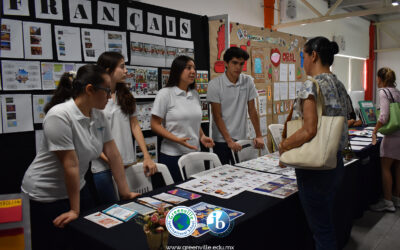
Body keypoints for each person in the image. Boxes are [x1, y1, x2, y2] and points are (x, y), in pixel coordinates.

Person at [21, 65, 139, 250]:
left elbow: (114, 155)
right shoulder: (59, 115)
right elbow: (71, 165)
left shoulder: (99, 115)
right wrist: (75, 210)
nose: (110, 96)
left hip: (78, 188)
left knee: (88, 238)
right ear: (90, 89)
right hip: (46, 193)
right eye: (107, 91)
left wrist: (124, 192)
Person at [279, 37, 351, 250]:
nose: (303, 61)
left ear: (314, 55)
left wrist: (284, 145)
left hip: (314, 168)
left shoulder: (310, 84)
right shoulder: (338, 83)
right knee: (328, 222)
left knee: (321, 230)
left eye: (304, 55)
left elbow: (309, 129)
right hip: (334, 160)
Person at [92, 52, 157, 204]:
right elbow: (91, 136)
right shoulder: (95, 97)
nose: (126, 71)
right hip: (103, 167)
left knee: (132, 206)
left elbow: (135, 126)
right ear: (108, 70)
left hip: (127, 163)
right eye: (122, 67)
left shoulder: (126, 95)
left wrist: (146, 157)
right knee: (112, 211)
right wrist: (110, 160)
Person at [151, 55, 214, 182]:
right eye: (188, 68)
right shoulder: (165, 94)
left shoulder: (195, 94)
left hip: (195, 154)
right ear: (178, 70)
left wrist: (202, 136)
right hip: (173, 156)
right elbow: (154, 124)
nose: (193, 71)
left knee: (200, 192)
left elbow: (193, 121)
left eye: (194, 68)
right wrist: (177, 140)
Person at [207, 47, 264, 165]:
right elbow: (217, 116)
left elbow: (252, 110)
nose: (238, 67)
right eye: (234, 63)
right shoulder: (215, 84)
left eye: (241, 64)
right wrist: (229, 141)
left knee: (243, 172)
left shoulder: (247, 81)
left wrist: (259, 135)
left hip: (242, 137)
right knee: (223, 175)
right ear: (226, 63)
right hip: (221, 139)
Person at [370, 67, 400, 212]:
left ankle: (387, 203)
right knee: (398, 168)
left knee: (385, 168)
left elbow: (384, 116)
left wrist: (375, 130)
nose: (376, 80)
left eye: (377, 77)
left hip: (391, 136)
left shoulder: (383, 92)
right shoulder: (397, 92)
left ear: (381, 79)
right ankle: (396, 198)